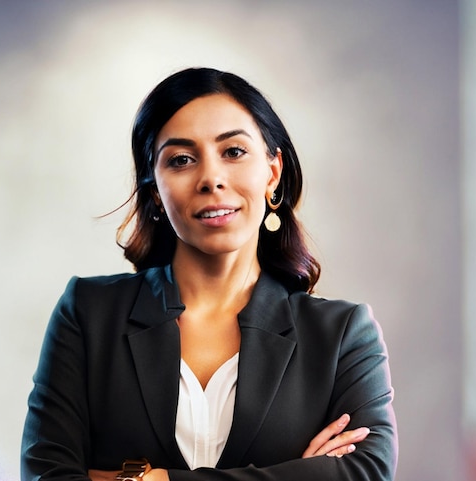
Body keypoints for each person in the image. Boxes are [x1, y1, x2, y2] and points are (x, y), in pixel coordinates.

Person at [21, 67, 398, 481]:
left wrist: (151, 479)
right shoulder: (88, 315)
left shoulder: (342, 334)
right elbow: (47, 475)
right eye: (181, 160)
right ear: (155, 193)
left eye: (233, 152)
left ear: (272, 172)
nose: (211, 179)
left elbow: (366, 472)